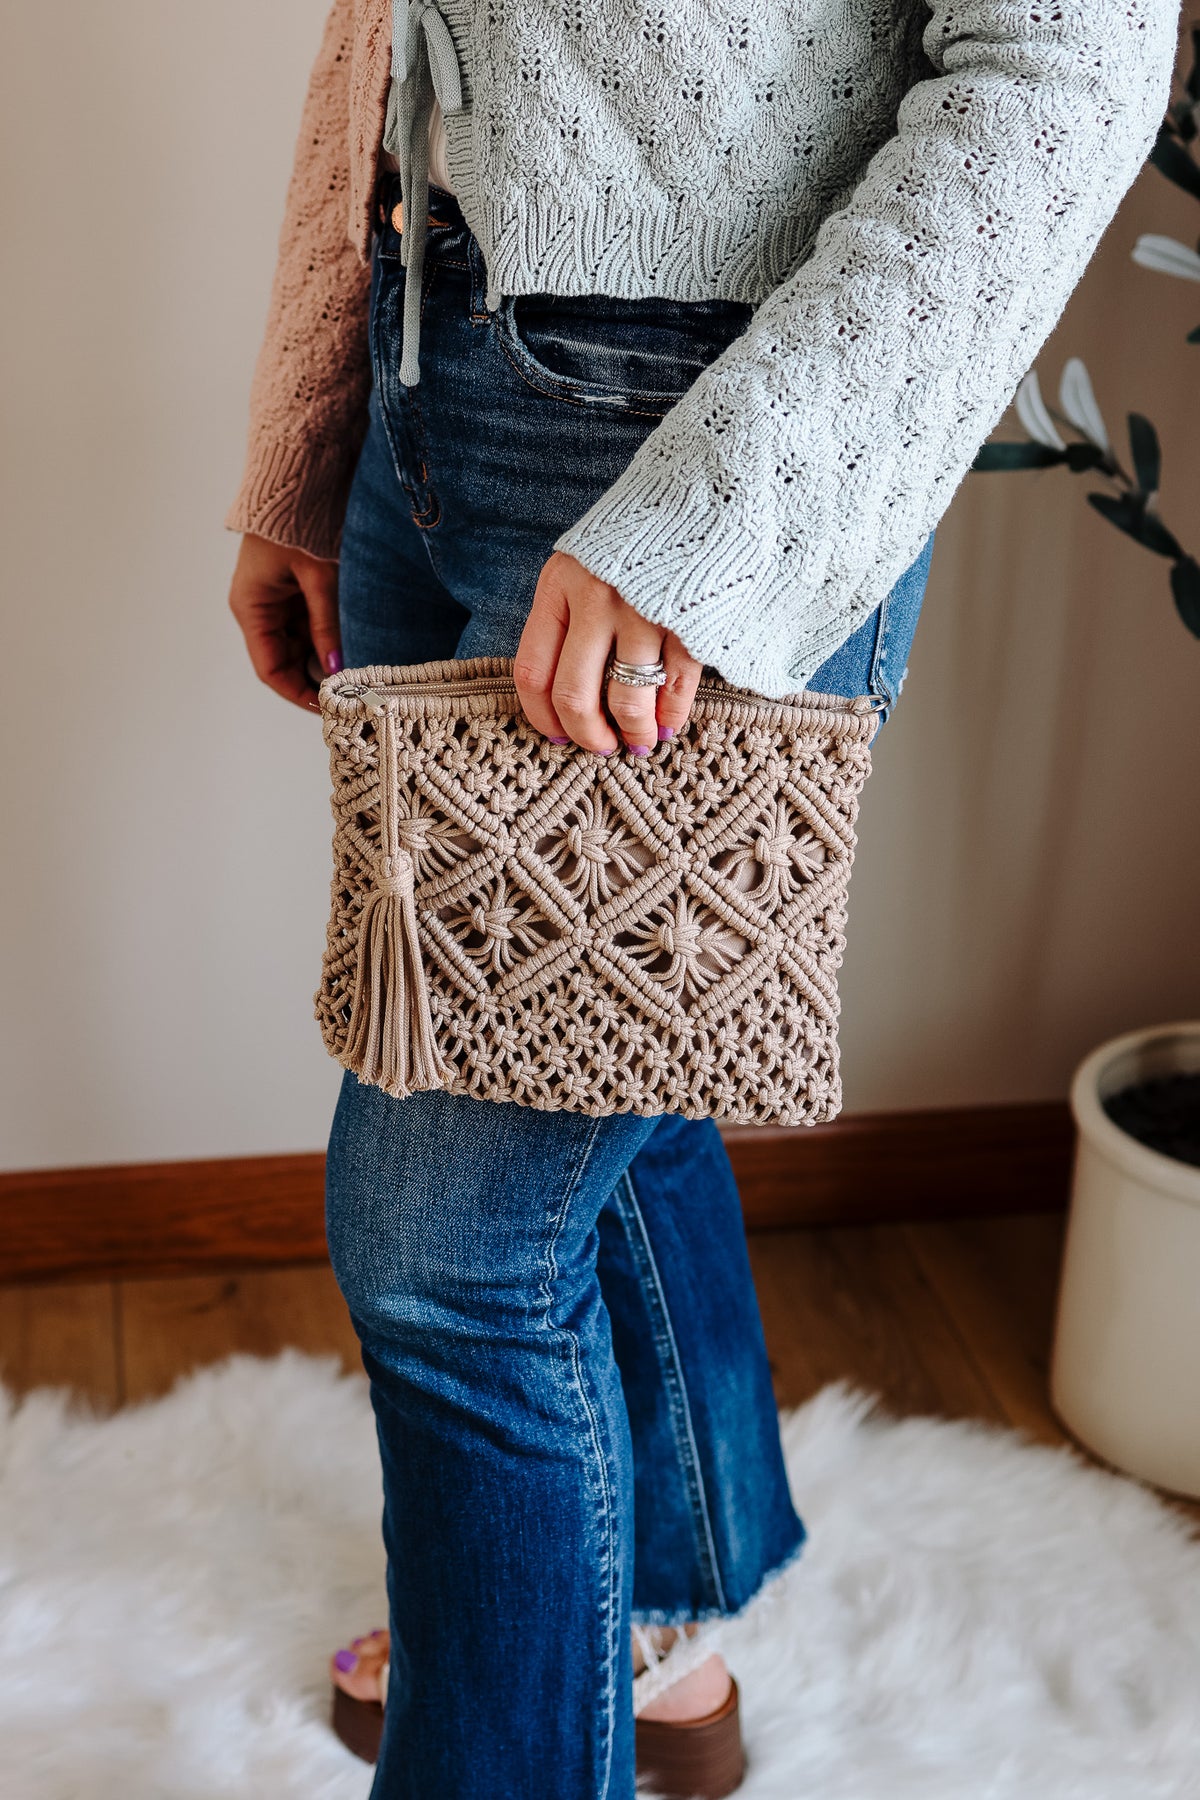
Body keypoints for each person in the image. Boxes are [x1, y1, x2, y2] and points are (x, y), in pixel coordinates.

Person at [226, 3, 1177, 1794]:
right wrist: (314, 419)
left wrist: (718, 523)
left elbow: (1065, 66)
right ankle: (649, 1615)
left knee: (451, 1251)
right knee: (607, 1059)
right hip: (427, 339)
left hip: (692, 426)